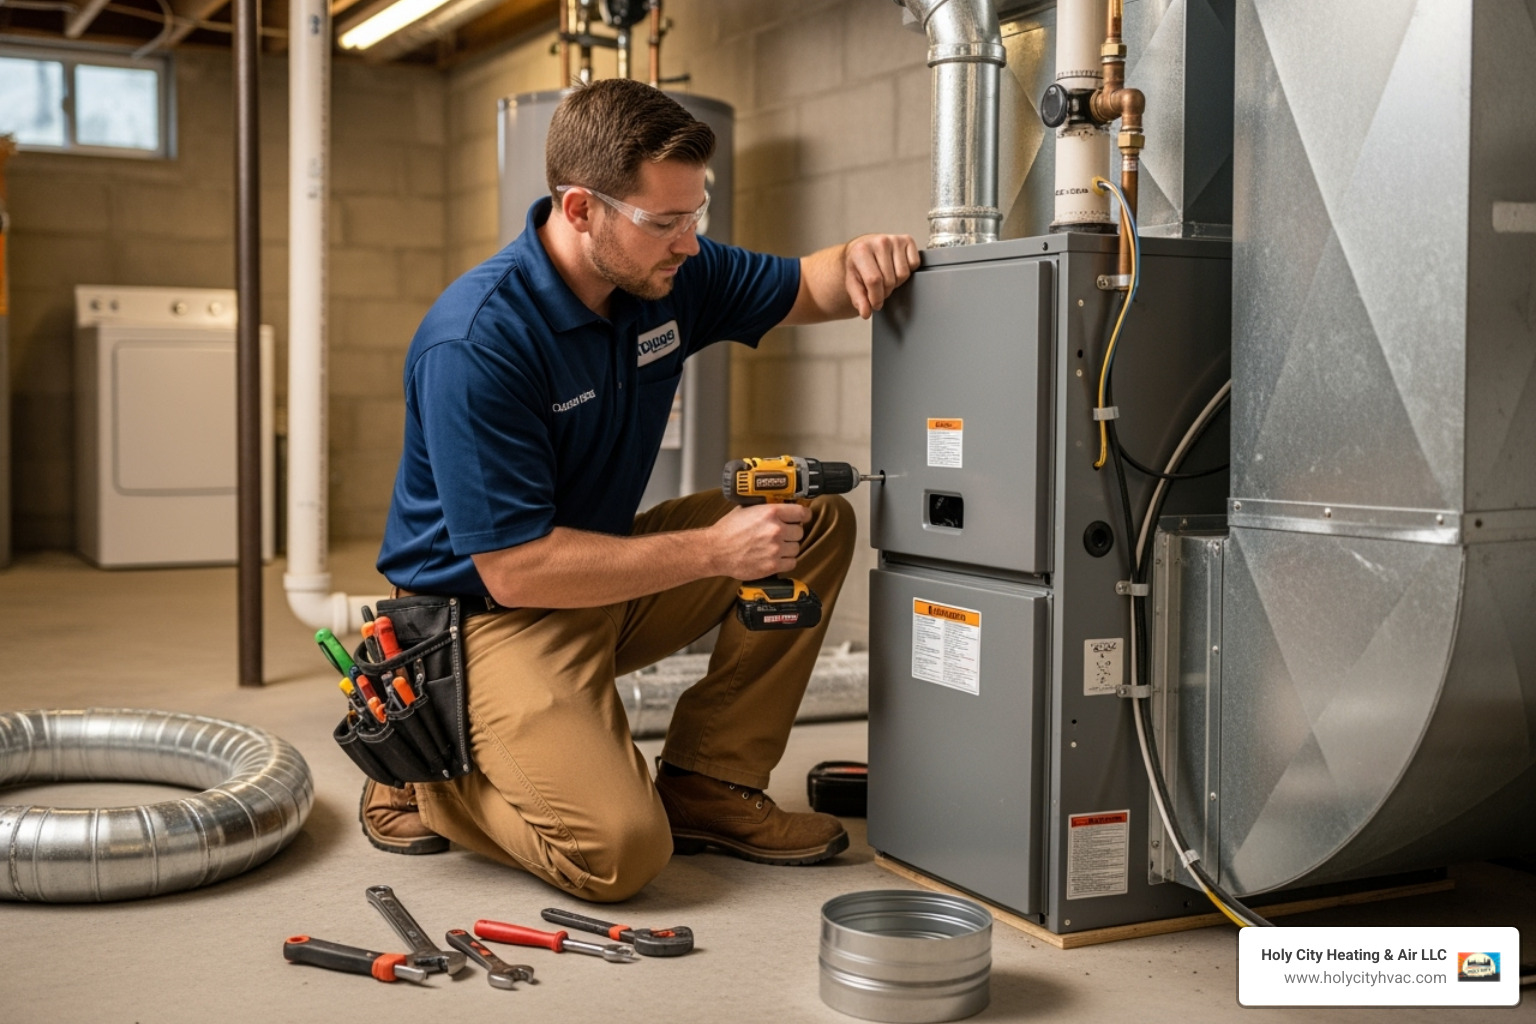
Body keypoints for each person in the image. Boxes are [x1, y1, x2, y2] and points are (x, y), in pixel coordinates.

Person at [364, 78, 919, 902]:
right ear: (580, 209)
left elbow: (814, 284)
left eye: (694, 215)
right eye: (665, 222)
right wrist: (711, 552)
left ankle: (708, 783)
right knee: (619, 854)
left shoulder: (666, 271)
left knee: (814, 522)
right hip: (483, 622)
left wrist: (866, 257)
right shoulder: (478, 342)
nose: (689, 243)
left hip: (597, 577)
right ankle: (427, 765)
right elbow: (515, 570)